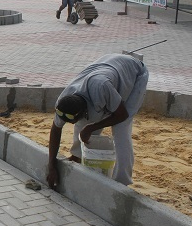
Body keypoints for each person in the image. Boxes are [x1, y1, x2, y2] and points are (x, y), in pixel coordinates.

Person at [46, 54, 149, 189]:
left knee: (120, 129)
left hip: (134, 73)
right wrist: (51, 165)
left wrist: (91, 128)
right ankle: (77, 156)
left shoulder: (101, 87)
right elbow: (55, 130)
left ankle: (122, 181)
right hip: (107, 67)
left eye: (73, 120)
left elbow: (122, 114)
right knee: (83, 124)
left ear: (83, 111)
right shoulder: (64, 101)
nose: (70, 124)